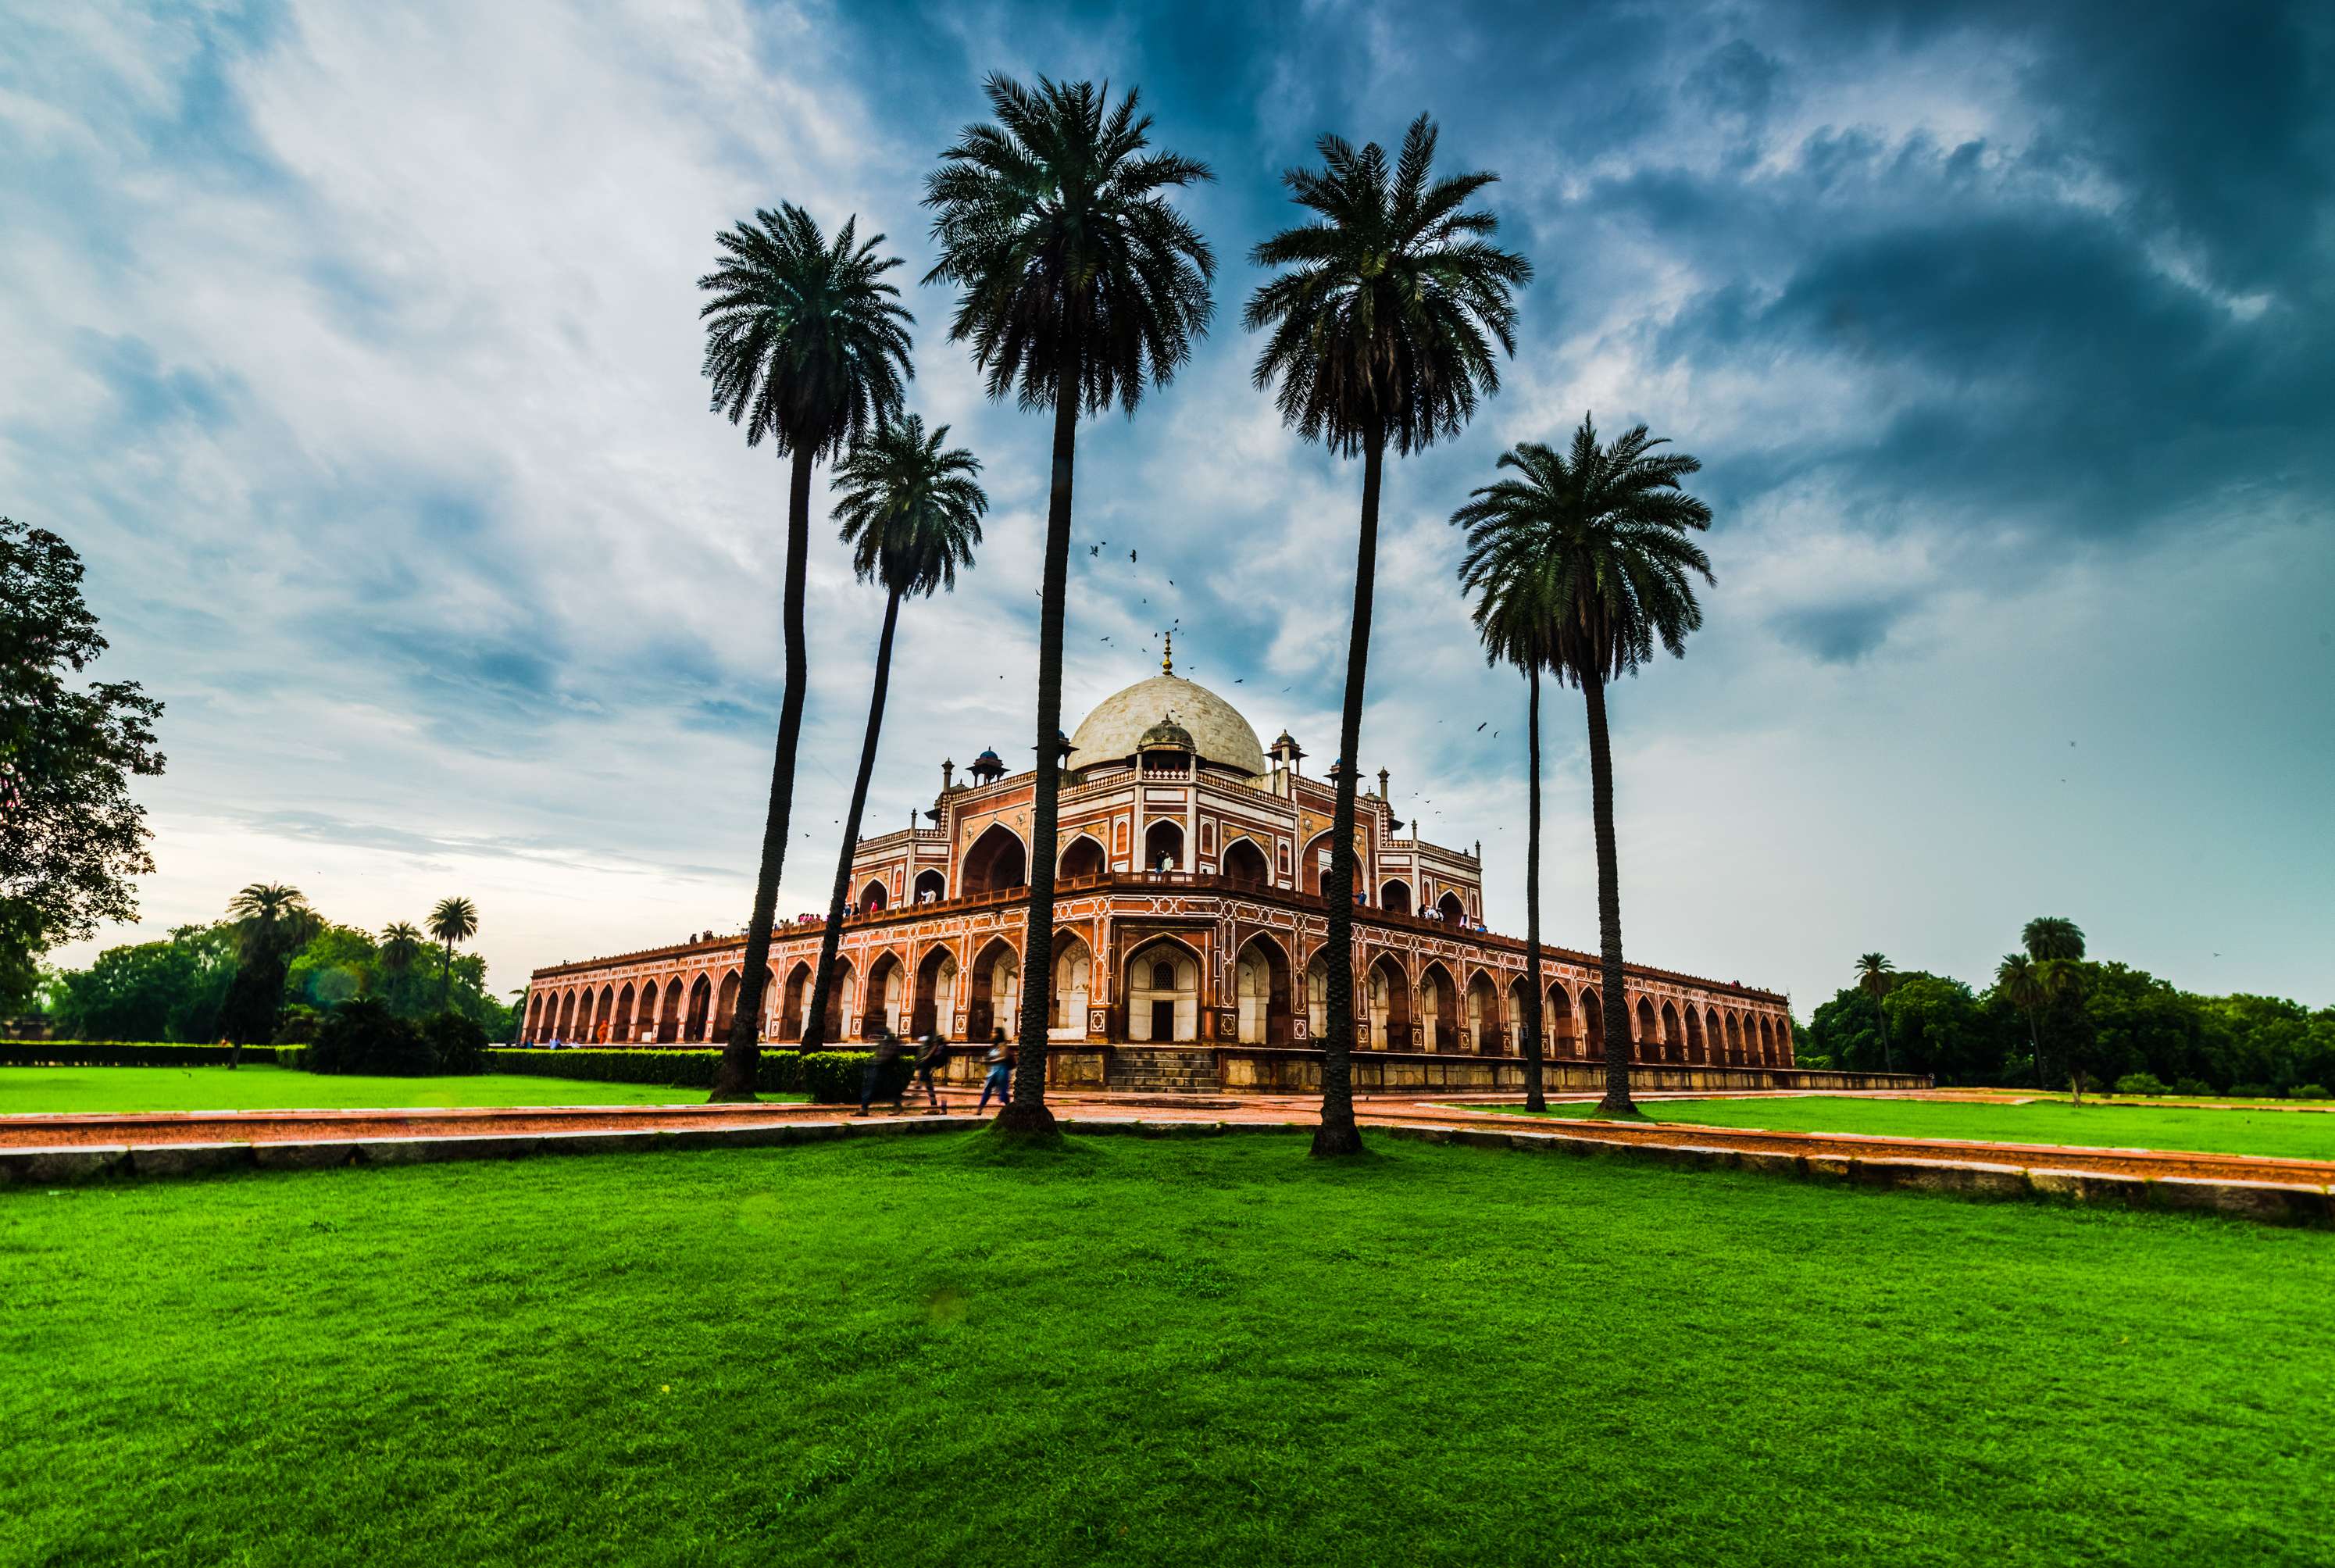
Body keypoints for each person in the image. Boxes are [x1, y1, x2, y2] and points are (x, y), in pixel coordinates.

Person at [858, 1028, 909, 1116]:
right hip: (884, 1069)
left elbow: (885, 1056)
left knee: (876, 1088)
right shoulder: (886, 1042)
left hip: (885, 1069)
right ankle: (864, 1108)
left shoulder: (890, 1043)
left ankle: (864, 1108)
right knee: (883, 1089)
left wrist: (875, 1062)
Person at [977, 1027, 1012, 1114]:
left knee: (1003, 1093)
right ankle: (980, 1109)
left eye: (994, 1033)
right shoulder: (994, 1046)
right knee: (987, 1090)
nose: (992, 1035)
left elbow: (1004, 1057)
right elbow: (991, 1056)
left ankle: (1010, 1110)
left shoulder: (1002, 1045)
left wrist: (989, 1061)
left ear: (999, 1035)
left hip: (1002, 1072)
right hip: (993, 1072)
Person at [912, 1027, 948, 1113]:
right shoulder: (928, 1036)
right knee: (929, 1087)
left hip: (926, 1064)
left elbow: (934, 1046)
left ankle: (907, 1103)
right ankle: (935, 1106)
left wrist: (927, 1057)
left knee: (920, 1085)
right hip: (925, 1064)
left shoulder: (932, 1034)